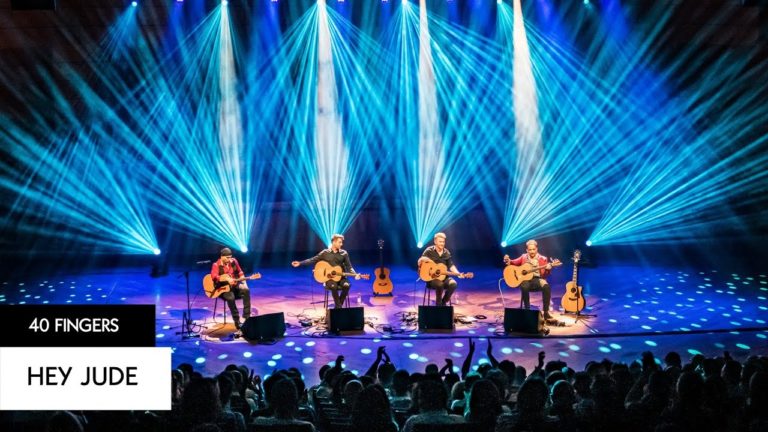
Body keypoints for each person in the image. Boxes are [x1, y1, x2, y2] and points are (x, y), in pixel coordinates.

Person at [292, 234, 359, 308]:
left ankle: (338, 307)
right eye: (339, 242)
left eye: (342, 242)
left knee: (347, 285)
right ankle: (339, 308)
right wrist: (300, 263)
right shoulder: (325, 253)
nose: (341, 244)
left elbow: (349, 266)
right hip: (330, 278)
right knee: (333, 286)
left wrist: (355, 274)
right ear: (334, 242)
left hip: (341, 277)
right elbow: (313, 259)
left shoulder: (344, 253)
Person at [503, 239, 555, 319]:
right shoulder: (524, 257)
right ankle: (527, 311)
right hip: (526, 280)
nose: (532, 251)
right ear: (527, 250)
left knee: (546, 287)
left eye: (533, 249)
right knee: (524, 286)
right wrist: (508, 260)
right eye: (530, 249)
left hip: (538, 279)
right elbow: (513, 262)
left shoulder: (543, 259)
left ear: (536, 249)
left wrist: (548, 269)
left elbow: (545, 275)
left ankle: (546, 312)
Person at [417, 232, 466, 306]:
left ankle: (443, 302)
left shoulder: (446, 252)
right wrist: (430, 261)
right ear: (435, 241)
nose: (442, 244)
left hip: (443, 277)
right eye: (440, 242)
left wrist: (458, 273)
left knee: (453, 284)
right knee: (439, 284)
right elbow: (420, 261)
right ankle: (438, 304)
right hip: (432, 278)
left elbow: (451, 265)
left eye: (443, 242)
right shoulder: (429, 251)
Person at [210, 248, 251, 329]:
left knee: (246, 290)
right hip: (222, 289)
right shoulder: (216, 265)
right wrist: (225, 278)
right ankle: (237, 321)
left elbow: (240, 272)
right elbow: (214, 276)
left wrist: (244, 283)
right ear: (222, 256)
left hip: (234, 286)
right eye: (227, 257)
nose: (229, 259)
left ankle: (247, 317)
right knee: (230, 297)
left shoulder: (233, 261)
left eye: (230, 257)